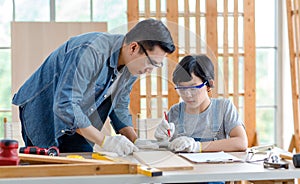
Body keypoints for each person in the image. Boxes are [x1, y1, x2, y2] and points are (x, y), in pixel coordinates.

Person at [12, 19, 175, 156]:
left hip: (79, 116)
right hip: (44, 110)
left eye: (157, 65)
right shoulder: (91, 52)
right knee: (50, 171)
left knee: (83, 170)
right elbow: (65, 105)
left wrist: (136, 141)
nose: (150, 70)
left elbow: (119, 105)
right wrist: (104, 141)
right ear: (133, 47)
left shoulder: (131, 67)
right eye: (151, 63)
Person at [155, 54, 248, 153]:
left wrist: (197, 146)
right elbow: (168, 150)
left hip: (216, 167)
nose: (187, 94)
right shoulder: (175, 112)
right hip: (184, 167)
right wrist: (162, 141)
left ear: (208, 85)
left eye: (193, 88)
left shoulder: (224, 108)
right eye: (181, 88)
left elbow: (241, 142)